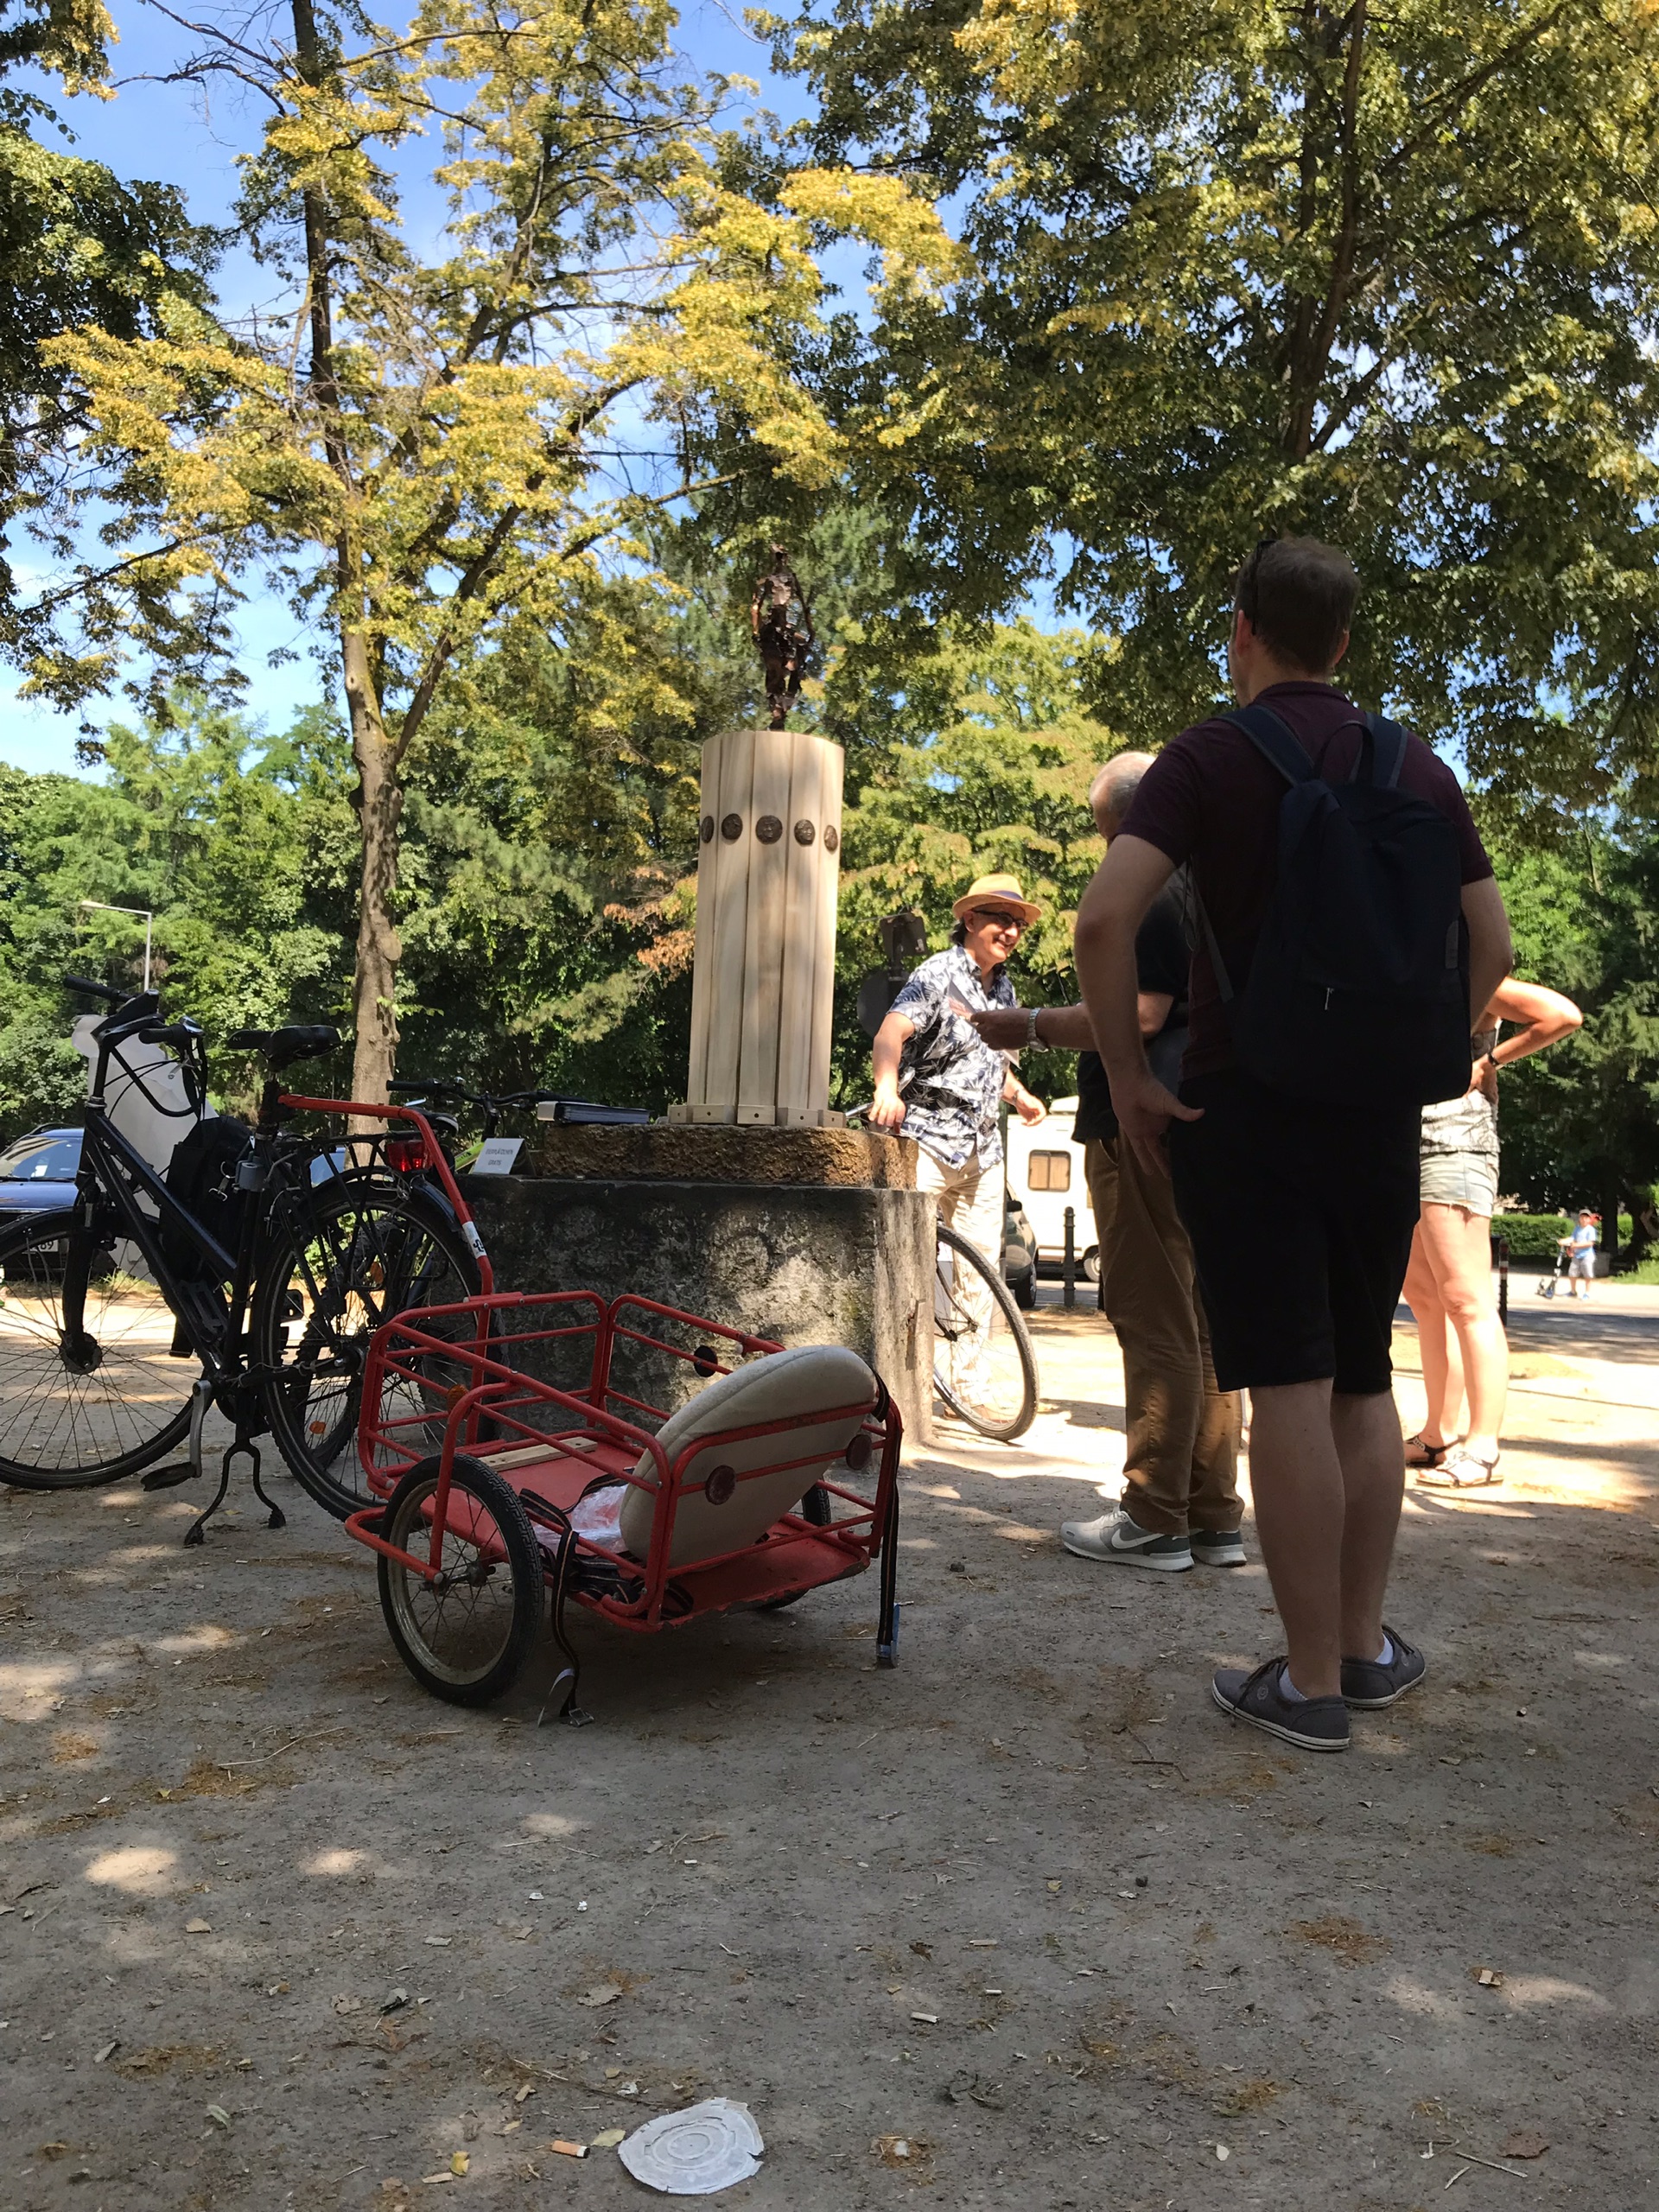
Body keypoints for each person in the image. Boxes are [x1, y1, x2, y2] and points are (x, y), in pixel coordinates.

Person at [1072, 535, 1513, 1754]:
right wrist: (1425, 1054)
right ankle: (1363, 1650)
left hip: (1245, 1106)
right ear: (1346, 641)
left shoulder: (1210, 757)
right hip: (1377, 1117)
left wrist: (1130, 1081)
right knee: (1366, 1378)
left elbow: (1106, 920)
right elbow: (1493, 947)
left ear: (1243, 631)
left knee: (1287, 1383)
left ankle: (1307, 1683)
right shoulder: (1417, 765)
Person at [971, 756, 1243, 1571]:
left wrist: (1028, 1027)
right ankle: (1211, 1515)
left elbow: (1142, 1014)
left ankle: (1155, 1515)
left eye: (1104, 832)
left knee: (1152, 1315)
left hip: (1142, 1122)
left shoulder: (1149, 889)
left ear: (1126, 821)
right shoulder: (1214, 886)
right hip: (1205, 1113)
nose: (1106, 847)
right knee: (1203, 1321)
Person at [1402, 977, 1582, 1488]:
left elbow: (1561, 1014)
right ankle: (1438, 1435)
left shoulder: (1471, 971)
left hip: (1455, 1144)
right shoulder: (1404, 962)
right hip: (1403, 1143)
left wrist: (1491, 1061)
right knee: (1425, 1298)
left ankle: (1483, 1446)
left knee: (1467, 1301)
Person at [868, 873, 1047, 1350]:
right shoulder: (936, 973)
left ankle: (968, 1386)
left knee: (980, 1277)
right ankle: (893, 1372)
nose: (1012, 931)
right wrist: (886, 1089)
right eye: (1002, 919)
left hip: (983, 1150)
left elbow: (986, 1066)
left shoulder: (1005, 991)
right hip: (927, 1141)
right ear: (970, 920)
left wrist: (1019, 1095)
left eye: (1019, 924)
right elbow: (889, 1034)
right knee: (901, 1260)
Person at [1560, 1208, 1601, 1300]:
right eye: (1582, 1217)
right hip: (1577, 1255)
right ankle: (1573, 1292)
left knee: (1588, 1275)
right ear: (1579, 1219)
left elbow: (1590, 1243)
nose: (1584, 1219)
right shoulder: (1577, 1229)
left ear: (1589, 1219)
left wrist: (1576, 1245)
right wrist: (1563, 1241)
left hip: (1587, 1256)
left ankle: (1587, 1293)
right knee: (1572, 1273)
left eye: (1586, 1218)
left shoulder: (1591, 1230)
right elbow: (1572, 1239)